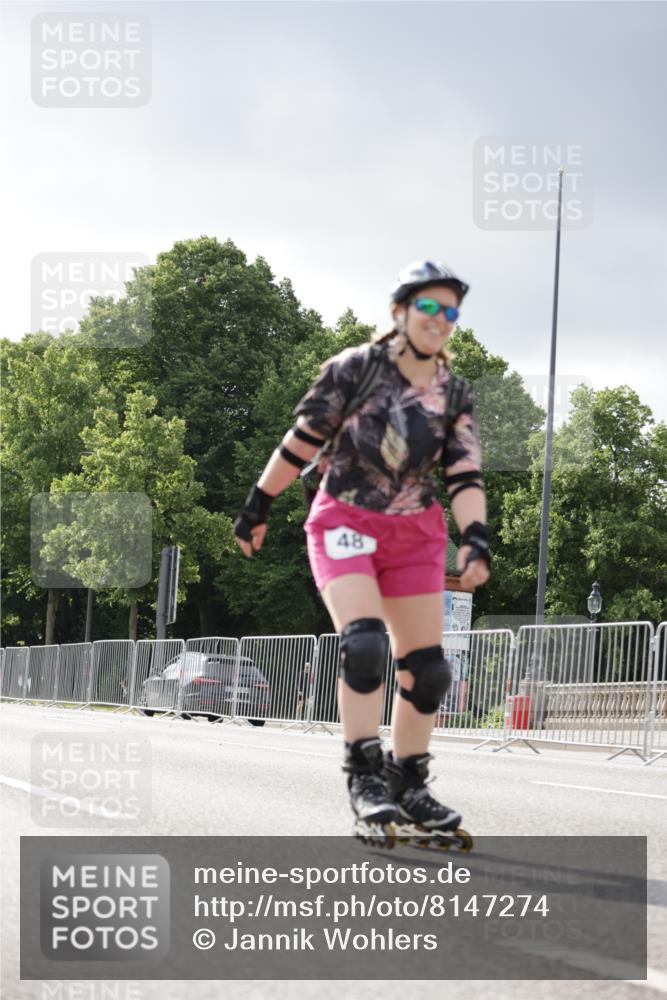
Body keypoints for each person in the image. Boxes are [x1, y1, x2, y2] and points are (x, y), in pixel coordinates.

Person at [234, 260, 490, 834]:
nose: (441, 319)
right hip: (345, 520)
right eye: (429, 306)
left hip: (416, 533)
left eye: (451, 311)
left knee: (428, 671)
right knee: (366, 645)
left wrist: (476, 539)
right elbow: (303, 439)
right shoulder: (355, 368)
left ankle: (409, 782)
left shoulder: (454, 393)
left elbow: (465, 475)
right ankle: (364, 774)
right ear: (400, 310)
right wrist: (258, 503)